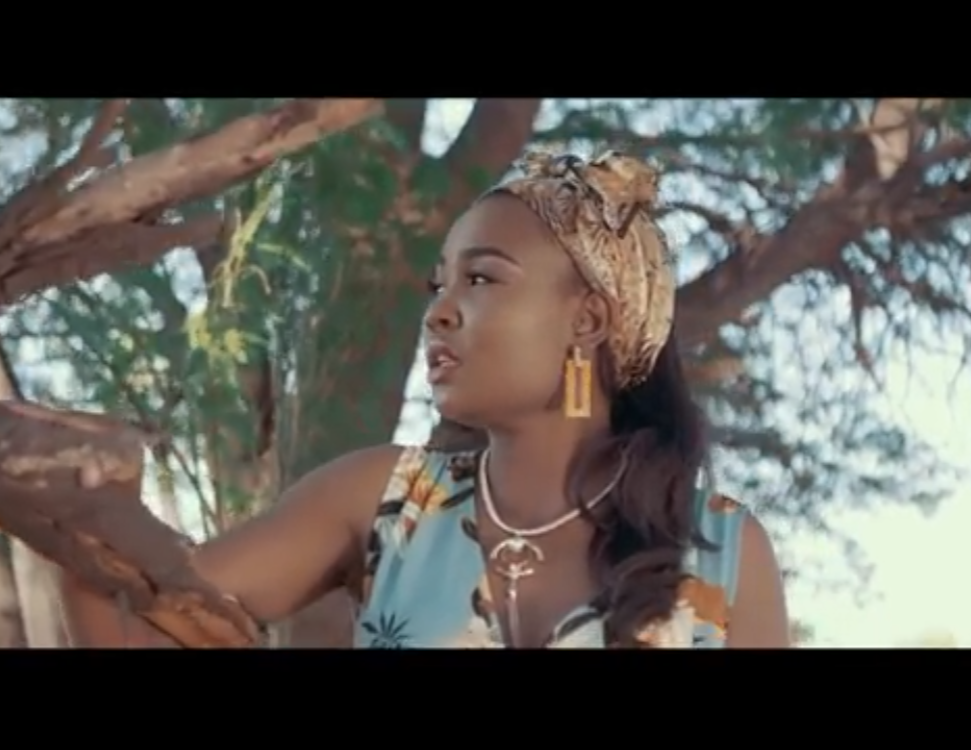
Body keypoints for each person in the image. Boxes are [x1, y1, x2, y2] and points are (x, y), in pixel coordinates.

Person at [59, 149, 790, 649]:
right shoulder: (386, 501)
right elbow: (138, 627)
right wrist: (88, 506)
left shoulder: (725, 552)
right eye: (438, 284)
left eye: (481, 279)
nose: (438, 311)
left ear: (588, 319)